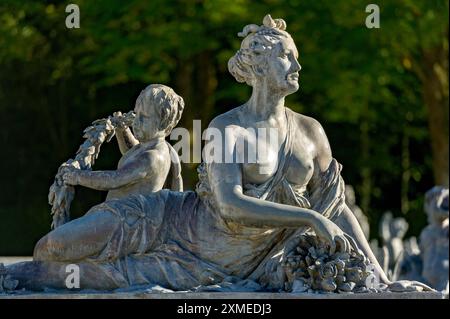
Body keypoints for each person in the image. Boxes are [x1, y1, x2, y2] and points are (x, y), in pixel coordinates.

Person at [5, 15, 430, 292]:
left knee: (81, 271)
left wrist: (383, 279)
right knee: (51, 249)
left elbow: (337, 210)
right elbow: (229, 206)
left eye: (297, 59)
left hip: (225, 264)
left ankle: (17, 279)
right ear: (260, 65)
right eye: (287, 57)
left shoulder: (312, 133)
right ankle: (14, 277)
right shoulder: (227, 127)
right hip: (167, 223)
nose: (297, 68)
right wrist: (309, 217)